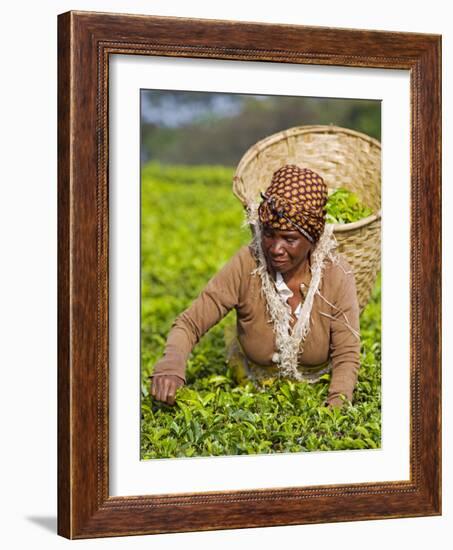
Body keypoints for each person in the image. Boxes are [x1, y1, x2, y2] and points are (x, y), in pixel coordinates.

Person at [149, 164, 361, 409]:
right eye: (269, 233)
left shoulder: (335, 274)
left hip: (318, 390)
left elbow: (347, 354)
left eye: (290, 239)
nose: (275, 248)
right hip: (251, 390)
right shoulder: (247, 263)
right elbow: (190, 324)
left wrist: (337, 408)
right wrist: (171, 365)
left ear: (312, 240)